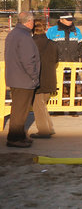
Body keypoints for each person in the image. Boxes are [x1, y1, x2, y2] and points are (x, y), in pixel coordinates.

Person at [5, 12, 40, 148]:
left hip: (15, 77)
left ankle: (19, 136)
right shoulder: (24, 36)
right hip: (23, 79)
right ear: (29, 21)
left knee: (20, 109)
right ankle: (14, 138)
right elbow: (28, 60)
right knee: (20, 111)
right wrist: (34, 77)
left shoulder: (13, 34)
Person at [46, 13, 82, 105]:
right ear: (61, 20)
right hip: (56, 65)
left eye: (71, 19)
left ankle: (73, 108)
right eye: (68, 20)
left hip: (73, 63)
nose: (70, 21)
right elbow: (46, 47)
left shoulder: (77, 31)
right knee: (58, 86)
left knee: (73, 86)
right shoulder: (52, 31)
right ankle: (58, 107)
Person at [31, 19, 58, 138]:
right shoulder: (52, 43)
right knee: (42, 105)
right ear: (45, 29)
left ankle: (43, 130)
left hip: (37, 79)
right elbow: (56, 60)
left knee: (38, 106)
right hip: (50, 79)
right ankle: (49, 127)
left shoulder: (31, 43)